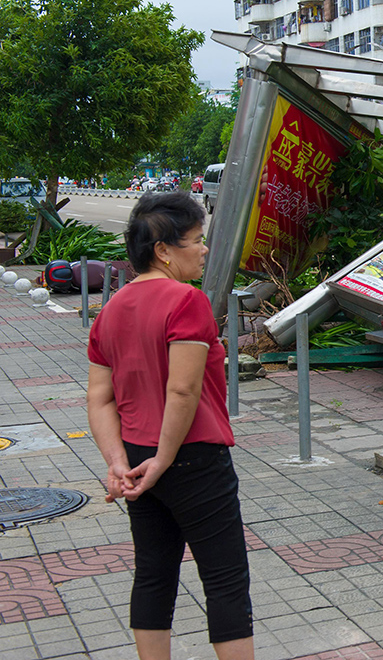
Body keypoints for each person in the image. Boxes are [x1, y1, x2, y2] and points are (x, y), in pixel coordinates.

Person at [87, 192, 253, 660]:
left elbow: (99, 399)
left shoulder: (112, 309)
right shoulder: (187, 300)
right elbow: (183, 391)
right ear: (163, 249)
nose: (203, 249)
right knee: (224, 578)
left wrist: (120, 463)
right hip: (192, 456)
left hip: (138, 458)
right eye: (196, 240)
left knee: (154, 573)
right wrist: (163, 459)